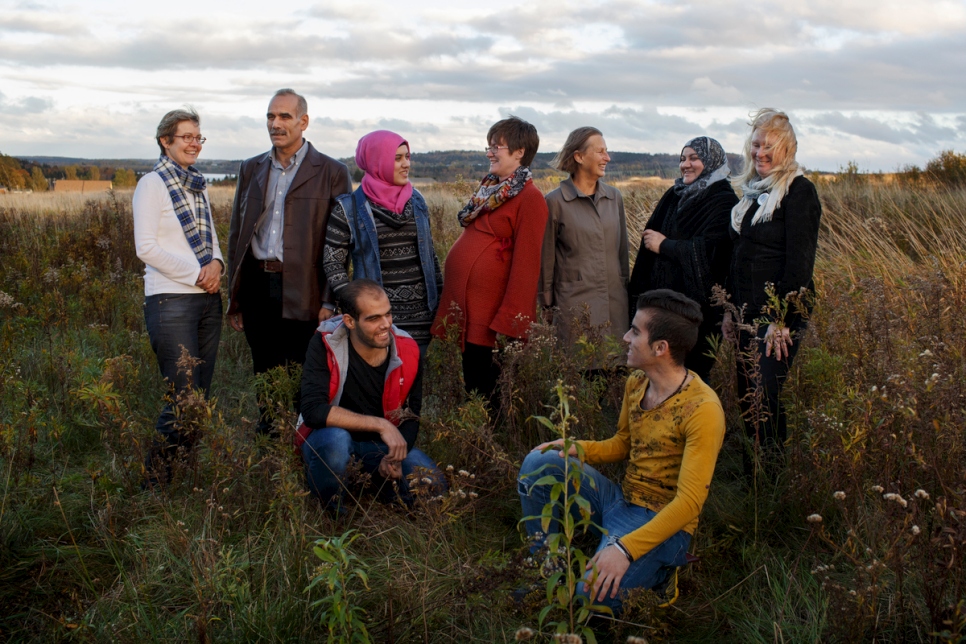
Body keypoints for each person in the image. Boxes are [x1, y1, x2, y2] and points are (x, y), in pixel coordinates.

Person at [518, 289, 726, 614]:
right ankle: (547, 570)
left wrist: (624, 549)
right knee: (538, 463)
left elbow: (689, 504)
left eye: (635, 331)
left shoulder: (703, 409)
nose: (626, 337)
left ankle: (661, 576)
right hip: (618, 501)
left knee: (591, 600)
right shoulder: (637, 382)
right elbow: (621, 445)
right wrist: (572, 447)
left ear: (661, 348)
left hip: (661, 523)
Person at [226, 89, 352, 436]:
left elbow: (340, 243)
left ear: (303, 121)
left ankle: (302, 445)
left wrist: (329, 299)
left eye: (284, 117)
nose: (275, 124)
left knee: (302, 372)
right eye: (270, 116)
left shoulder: (332, 172)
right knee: (263, 370)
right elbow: (238, 232)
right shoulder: (251, 168)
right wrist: (234, 296)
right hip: (256, 284)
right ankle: (269, 444)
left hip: (306, 290)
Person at [723, 108, 822, 475]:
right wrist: (729, 313)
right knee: (747, 393)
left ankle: (773, 479)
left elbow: (800, 265)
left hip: (777, 315)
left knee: (766, 392)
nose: (760, 152)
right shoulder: (750, 196)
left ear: (788, 149)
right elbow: (740, 257)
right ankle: (753, 475)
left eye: (769, 146)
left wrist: (781, 320)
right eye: (756, 144)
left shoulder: (799, 192)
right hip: (745, 311)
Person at [431, 116, 549, 408]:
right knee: (470, 388)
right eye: (489, 146)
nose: (490, 152)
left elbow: (527, 265)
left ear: (519, 152)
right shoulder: (491, 189)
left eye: (497, 146)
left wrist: (511, 322)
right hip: (468, 312)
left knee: (487, 394)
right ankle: (474, 445)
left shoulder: (530, 198)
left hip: (491, 318)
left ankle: (488, 449)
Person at [294, 280, 444, 506]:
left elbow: (412, 413)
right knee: (336, 443)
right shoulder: (325, 343)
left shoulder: (408, 349)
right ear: (350, 321)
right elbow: (313, 411)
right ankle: (332, 510)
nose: (386, 324)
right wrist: (381, 425)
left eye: (388, 314)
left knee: (434, 485)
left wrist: (394, 456)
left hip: (378, 447)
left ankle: (377, 487)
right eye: (373, 318)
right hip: (328, 438)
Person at [133, 108, 223, 483]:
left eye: (198, 137)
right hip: (170, 301)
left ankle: (181, 474)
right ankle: (153, 482)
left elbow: (210, 239)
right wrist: (198, 274)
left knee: (199, 397)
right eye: (185, 136)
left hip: (207, 301)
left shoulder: (196, 185)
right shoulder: (153, 184)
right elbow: (146, 247)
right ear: (165, 141)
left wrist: (217, 263)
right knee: (183, 396)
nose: (193, 143)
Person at [628, 136, 738, 383]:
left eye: (694, 158)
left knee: (693, 377)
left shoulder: (723, 201)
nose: (686, 164)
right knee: (659, 375)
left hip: (699, 314)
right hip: (664, 309)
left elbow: (713, 254)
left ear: (711, 162)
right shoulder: (674, 195)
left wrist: (665, 245)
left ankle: (697, 421)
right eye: (682, 158)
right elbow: (649, 240)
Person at [324, 130, 443, 358]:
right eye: (397, 158)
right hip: (376, 320)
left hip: (421, 318)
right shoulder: (348, 209)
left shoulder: (417, 201)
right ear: (376, 161)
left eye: (407, 156)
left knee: (413, 386)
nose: (405, 164)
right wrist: (355, 306)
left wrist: (440, 303)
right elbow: (333, 263)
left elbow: (430, 257)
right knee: (378, 388)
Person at [540, 127, 629, 352]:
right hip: (575, 306)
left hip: (614, 305)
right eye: (600, 152)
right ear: (578, 157)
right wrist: (546, 307)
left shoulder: (614, 197)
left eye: (606, 152)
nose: (607, 158)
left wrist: (624, 288)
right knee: (579, 374)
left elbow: (622, 253)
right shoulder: (555, 202)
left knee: (615, 372)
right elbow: (546, 260)